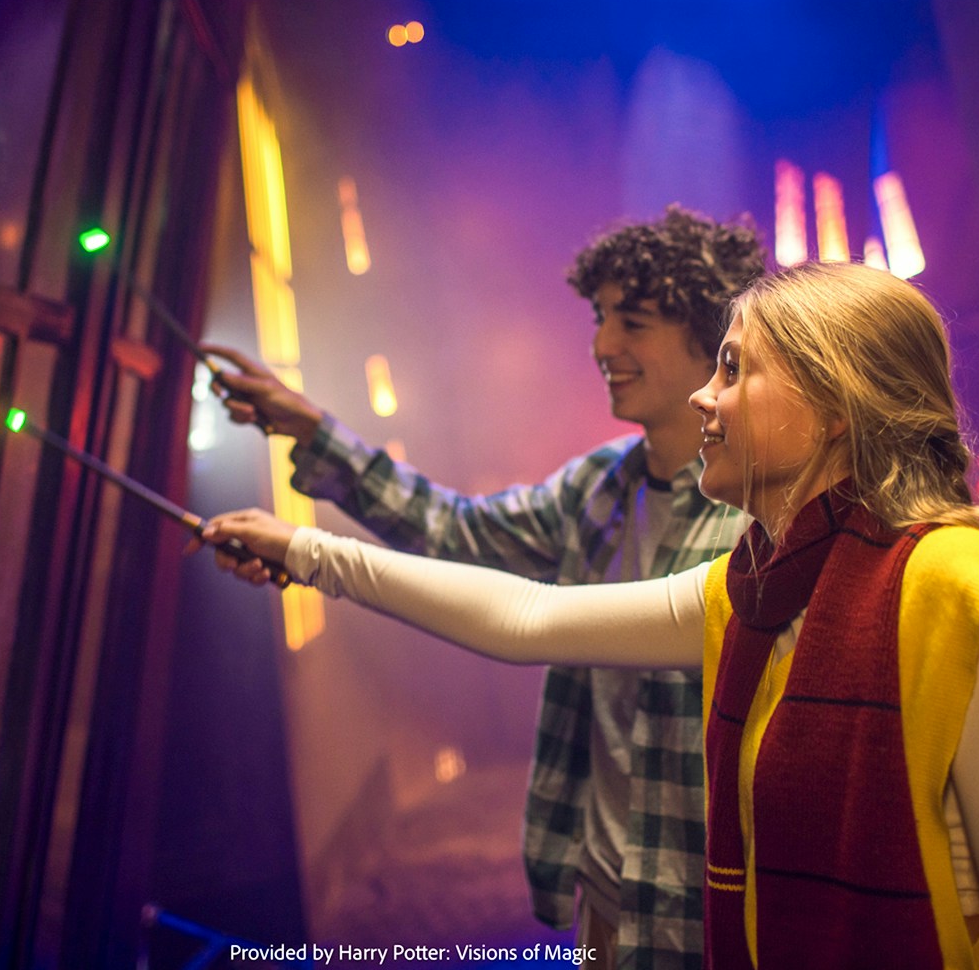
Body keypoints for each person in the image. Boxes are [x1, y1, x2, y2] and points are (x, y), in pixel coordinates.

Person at [200, 262, 979, 970]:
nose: (706, 395)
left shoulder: (958, 586)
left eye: (734, 368)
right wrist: (307, 553)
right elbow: (527, 619)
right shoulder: (760, 584)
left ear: (833, 408)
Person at [204, 206, 764, 967]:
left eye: (632, 323)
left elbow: (526, 620)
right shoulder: (600, 484)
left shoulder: (756, 518)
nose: (603, 346)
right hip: (607, 892)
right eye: (600, 319)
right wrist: (312, 433)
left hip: (709, 913)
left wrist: (309, 554)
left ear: (709, 337)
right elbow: (457, 532)